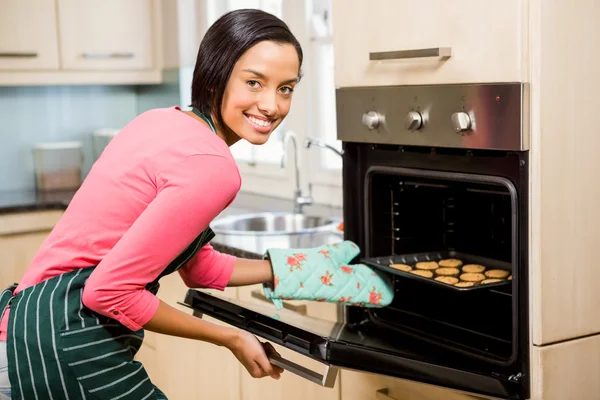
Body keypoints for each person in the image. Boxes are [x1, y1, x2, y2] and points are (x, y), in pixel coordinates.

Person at [0, 9, 307, 400]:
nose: (271, 105)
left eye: (286, 88)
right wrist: (230, 337)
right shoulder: (214, 167)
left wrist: (293, 271)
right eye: (253, 82)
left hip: (26, 323)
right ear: (216, 77)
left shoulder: (162, 121)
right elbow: (108, 292)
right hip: (66, 339)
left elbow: (200, 267)